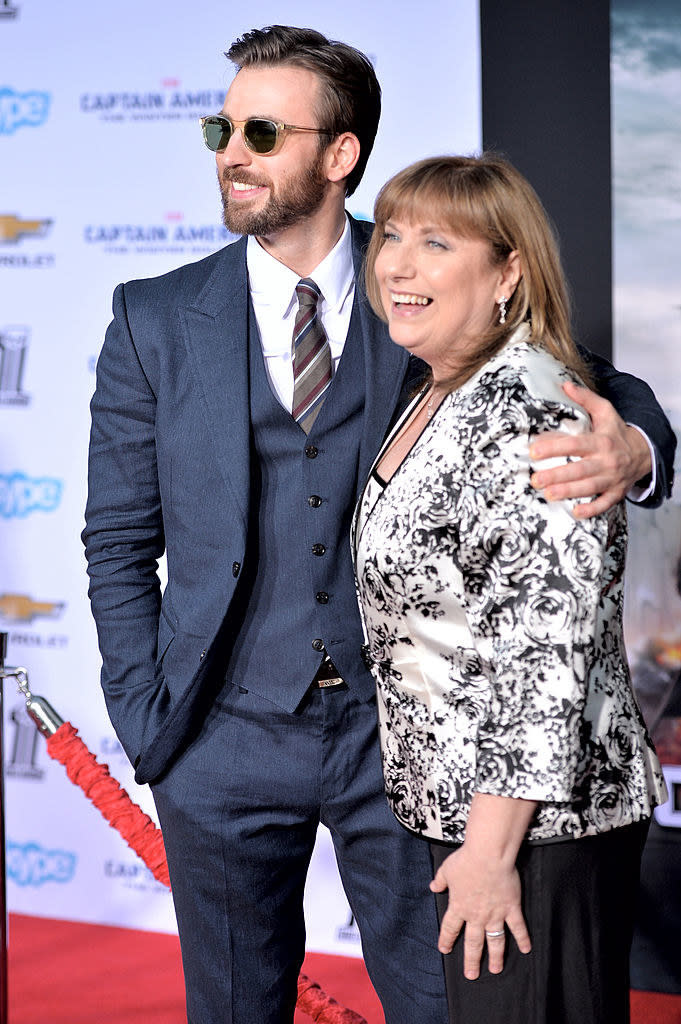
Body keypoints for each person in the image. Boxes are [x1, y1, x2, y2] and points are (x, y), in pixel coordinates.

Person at [81, 25, 674, 1024]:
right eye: (221, 126)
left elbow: (599, 383)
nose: (232, 150)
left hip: (396, 742)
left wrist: (637, 448)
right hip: (218, 739)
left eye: (262, 130)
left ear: (340, 154)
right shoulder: (153, 316)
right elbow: (115, 539)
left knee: (443, 1001)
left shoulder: (423, 283)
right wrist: (152, 719)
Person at [353, 153, 668, 1024]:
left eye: (436, 242)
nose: (398, 265)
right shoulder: (439, 385)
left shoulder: (530, 413)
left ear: (508, 271)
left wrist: (491, 852)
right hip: (466, 813)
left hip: (533, 830)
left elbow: (543, 657)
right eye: (390, 236)